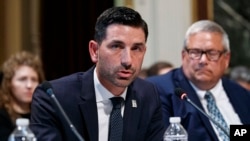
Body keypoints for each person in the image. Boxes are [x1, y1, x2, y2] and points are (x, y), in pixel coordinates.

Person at [30, 6, 165, 141]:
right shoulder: (54, 98)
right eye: (116, 46)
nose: (127, 61)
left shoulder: (148, 95)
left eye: (136, 48)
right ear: (95, 51)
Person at [146, 20, 250, 141]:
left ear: (226, 59)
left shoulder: (241, 94)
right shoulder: (157, 90)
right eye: (195, 52)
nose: (203, 60)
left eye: (212, 53)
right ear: (183, 56)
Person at [0, 51, 45, 141]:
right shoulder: (2, 117)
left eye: (34, 79)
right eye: (22, 79)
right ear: (9, 84)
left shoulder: (43, 115)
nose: (29, 85)